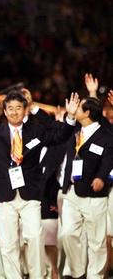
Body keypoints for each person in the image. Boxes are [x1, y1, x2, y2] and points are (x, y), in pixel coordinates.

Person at [0, 88, 77, 279]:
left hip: (30, 195)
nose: (14, 111)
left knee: (35, 238)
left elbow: (60, 136)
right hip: (4, 195)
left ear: (25, 110)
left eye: (18, 107)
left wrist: (69, 117)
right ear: (4, 110)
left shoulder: (36, 130)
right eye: (10, 108)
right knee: (8, 244)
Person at [59, 96, 113, 278]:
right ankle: (78, 272)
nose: (75, 109)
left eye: (79, 107)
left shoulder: (106, 135)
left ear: (88, 112)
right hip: (72, 191)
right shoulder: (74, 130)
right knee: (67, 233)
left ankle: (95, 276)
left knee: (97, 242)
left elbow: (109, 159)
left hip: (94, 194)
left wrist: (101, 177)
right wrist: (69, 114)